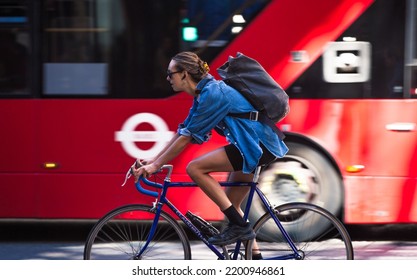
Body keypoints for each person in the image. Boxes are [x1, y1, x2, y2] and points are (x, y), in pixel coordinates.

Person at [133, 51, 288, 256]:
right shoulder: (204, 93)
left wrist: (155, 166)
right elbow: (183, 130)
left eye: (170, 73)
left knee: (195, 168)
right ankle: (256, 259)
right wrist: (155, 160)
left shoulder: (213, 94)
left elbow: (187, 139)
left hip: (256, 146)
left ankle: (239, 227)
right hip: (253, 145)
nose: (168, 78)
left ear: (185, 74)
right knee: (232, 207)